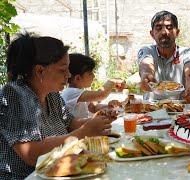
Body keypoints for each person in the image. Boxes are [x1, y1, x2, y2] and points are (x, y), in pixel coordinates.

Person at [0, 33, 117, 179]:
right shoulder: (13, 94)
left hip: (58, 171)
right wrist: (83, 132)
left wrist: (98, 120)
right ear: (39, 71)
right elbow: (30, 153)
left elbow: (71, 124)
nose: (68, 75)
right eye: (63, 69)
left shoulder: (52, 95)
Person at [137, 10, 190, 99]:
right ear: (152, 34)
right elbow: (146, 65)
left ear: (177, 32)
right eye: (158, 28)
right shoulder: (147, 50)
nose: (164, 32)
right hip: (152, 110)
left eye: (169, 27)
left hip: (180, 110)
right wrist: (146, 75)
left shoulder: (187, 52)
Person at [61, 53, 125, 118]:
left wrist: (108, 106)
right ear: (78, 78)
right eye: (90, 73)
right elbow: (101, 94)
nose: (93, 76)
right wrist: (113, 81)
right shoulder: (70, 92)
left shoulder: (80, 92)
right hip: (76, 128)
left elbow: (94, 108)